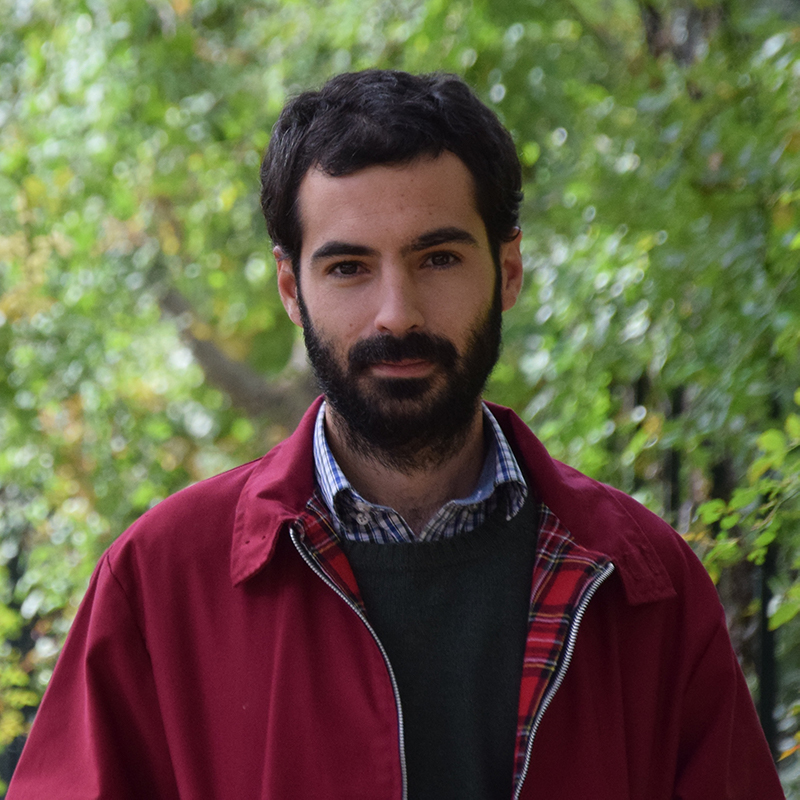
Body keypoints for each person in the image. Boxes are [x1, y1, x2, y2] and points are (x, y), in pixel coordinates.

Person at [7, 70, 784, 800]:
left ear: (508, 270)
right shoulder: (158, 585)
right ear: (291, 288)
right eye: (348, 268)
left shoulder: (648, 586)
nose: (397, 313)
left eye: (438, 258)